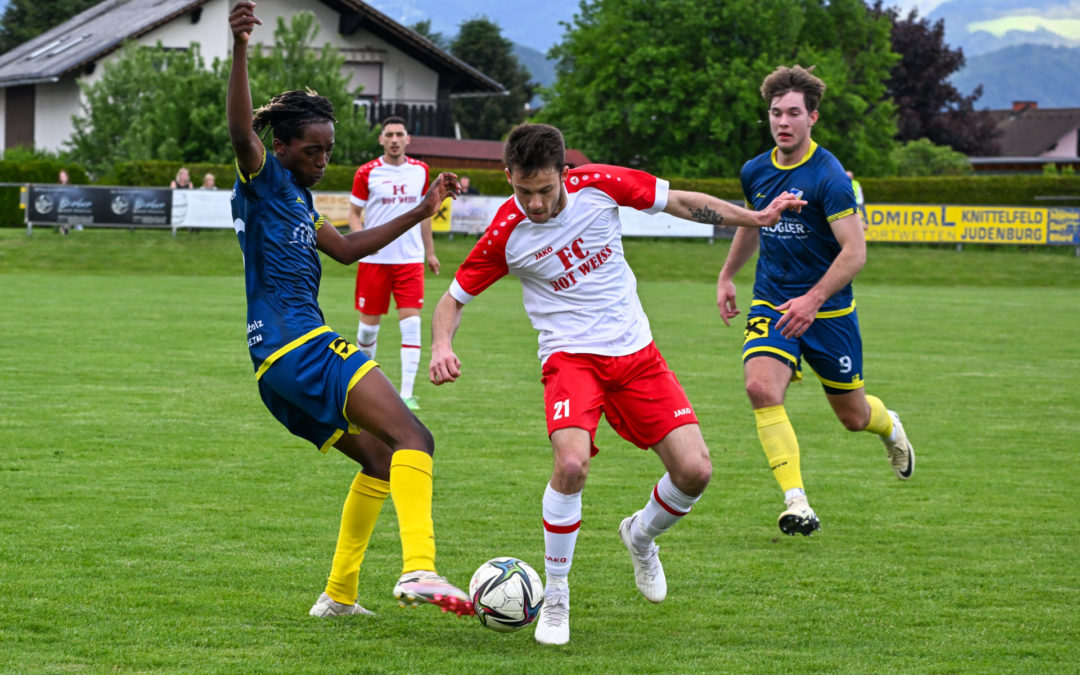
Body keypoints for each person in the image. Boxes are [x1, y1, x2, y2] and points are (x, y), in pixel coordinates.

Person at [429, 122, 805, 645]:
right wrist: (442, 345)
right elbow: (451, 300)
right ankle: (556, 597)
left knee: (695, 471)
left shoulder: (601, 184)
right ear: (508, 176)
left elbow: (680, 202)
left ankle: (641, 535)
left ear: (565, 172)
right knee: (571, 463)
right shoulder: (506, 232)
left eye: (544, 189)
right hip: (569, 360)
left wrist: (756, 217)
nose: (534, 204)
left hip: (636, 355)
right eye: (522, 191)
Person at [225, 1, 472, 619]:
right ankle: (419, 570)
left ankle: (338, 595)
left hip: (273, 368)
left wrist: (421, 212)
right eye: (313, 150)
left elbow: (346, 250)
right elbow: (238, 131)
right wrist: (240, 47)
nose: (323, 160)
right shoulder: (262, 179)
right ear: (279, 147)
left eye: (329, 151)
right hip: (299, 346)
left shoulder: (300, 203)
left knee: (382, 459)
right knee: (415, 436)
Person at [716, 65, 914, 538]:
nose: (782, 122)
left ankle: (890, 428)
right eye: (774, 113)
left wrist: (813, 299)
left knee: (854, 417)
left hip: (829, 313)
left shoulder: (828, 177)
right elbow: (754, 223)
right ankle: (796, 501)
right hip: (772, 302)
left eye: (792, 113)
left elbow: (855, 252)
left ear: (813, 118)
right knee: (761, 388)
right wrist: (727, 275)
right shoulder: (756, 170)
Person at [348, 116, 439, 411]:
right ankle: (368, 391)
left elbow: (424, 214)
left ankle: (407, 395)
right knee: (367, 332)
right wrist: (361, 243)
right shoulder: (367, 172)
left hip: (409, 261)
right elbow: (353, 213)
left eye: (400, 134)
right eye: (390, 134)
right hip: (375, 261)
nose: (395, 139)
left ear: (408, 139)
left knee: (412, 326)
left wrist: (430, 252)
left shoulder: (421, 171)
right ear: (382, 140)